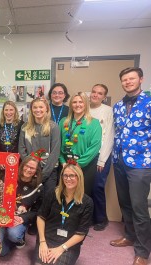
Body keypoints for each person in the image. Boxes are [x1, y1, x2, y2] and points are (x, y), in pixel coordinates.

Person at [110, 67, 151, 265]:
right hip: (119, 161)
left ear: (140, 79)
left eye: (131, 78)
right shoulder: (117, 106)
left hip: (141, 164)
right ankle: (129, 236)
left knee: (139, 207)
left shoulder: (149, 103)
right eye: (124, 79)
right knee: (125, 204)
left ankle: (143, 252)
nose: (128, 82)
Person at [34, 164, 93, 265]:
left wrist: (61, 249)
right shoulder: (52, 193)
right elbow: (41, 217)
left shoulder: (87, 202)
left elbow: (81, 233)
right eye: (65, 175)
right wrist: (42, 242)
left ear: (79, 177)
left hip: (68, 245)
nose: (68, 179)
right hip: (47, 239)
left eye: (72, 175)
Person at [59, 92, 102, 197]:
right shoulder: (63, 122)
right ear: (71, 105)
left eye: (80, 102)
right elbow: (58, 144)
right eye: (74, 102)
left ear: (85, 104)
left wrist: (79, 164)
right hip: (65, 165)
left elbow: (95, 146)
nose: (77, 105)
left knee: (83, 196)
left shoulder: (94, 123)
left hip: (85, 166)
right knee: (65, 194)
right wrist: (63, 162)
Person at [0, 156, 43, 257]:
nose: (28, 169)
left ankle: (19, 238)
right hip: (3, 214)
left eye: (32, 168)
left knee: (13, 235)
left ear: (36, 171)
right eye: (27, 166)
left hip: (20, 217)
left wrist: (22, 218)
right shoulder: (9, 177)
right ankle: (6, 235)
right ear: (22, 165)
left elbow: (37, 211)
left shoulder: (39, 188)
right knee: (1, 252)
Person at [19, 98, 61, 195]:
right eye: (35, 107)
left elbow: (55, 152)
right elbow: (21, 149)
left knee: (47, 198)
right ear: (31, 110)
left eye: (41, 107)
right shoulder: (25, 127)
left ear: (46, 109)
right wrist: (30, 168)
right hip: (29, 170)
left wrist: (43, 174)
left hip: (49, 170)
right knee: (28, 199)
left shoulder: (53, 127)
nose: (38, 110)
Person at [89, 84, 114, 231]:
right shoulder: (85, 108)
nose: (96, 95)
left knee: (97, 187)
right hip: (87, 154)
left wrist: (102, 159)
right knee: (86, 187)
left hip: (101, 155)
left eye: (100, 93)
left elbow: (110, 135)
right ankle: (89, 217)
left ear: (104, 97)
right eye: (94, 92)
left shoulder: (108, 111)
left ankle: (101, 219)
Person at [0, 101, 24, 178]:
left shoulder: (21, 124)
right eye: (6, 110)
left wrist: (15, 160)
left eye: (11, 110)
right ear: (3, 111)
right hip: (1, 161)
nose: (8, 112)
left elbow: (23, 143)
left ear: (15, 111)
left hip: (16, 160)